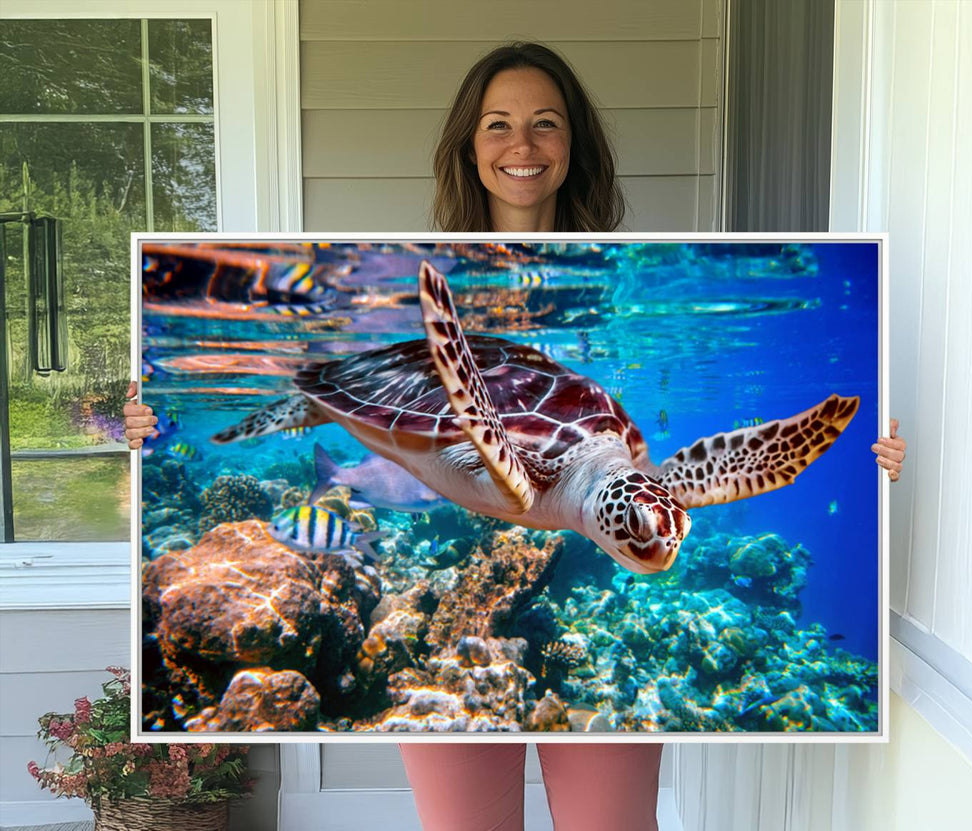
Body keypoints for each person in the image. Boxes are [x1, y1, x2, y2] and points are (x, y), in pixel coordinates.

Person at [124, 41, 906, 831]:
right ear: (470, 145)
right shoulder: (428, 287)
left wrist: (878, 455)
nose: (522, 144)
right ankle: (310, 402)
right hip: (419, 390)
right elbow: (470, 399)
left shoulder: (635, 265)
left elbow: (676, 484)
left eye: (545, 124)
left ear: (574, 146)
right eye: (498, 124)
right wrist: (141, 421)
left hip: (491, 376)